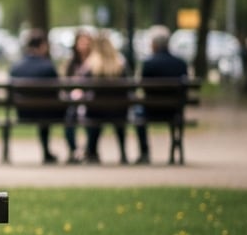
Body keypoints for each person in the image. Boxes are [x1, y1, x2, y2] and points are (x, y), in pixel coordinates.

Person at [134, 26, 190, 164]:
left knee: (136, 112)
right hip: (174, 110)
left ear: (153, 44)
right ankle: (175, 151)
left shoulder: (148, 64)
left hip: (150, 110)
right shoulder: (180, 64)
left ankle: (145, 152)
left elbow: (142, 87)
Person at [8, 29, 62, 164]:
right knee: (54, 110)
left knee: (44, 109)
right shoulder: (48, 67)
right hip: (47, 113)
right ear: (42, 45)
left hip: (23, 113)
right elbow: (57, 91)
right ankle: (70, 151)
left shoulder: (16, 67)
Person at [81, 31, 130, 164]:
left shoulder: (91, 65)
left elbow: (82, 86)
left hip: (96, 112)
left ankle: (91, 152)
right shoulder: (120, 64)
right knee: (117, 121)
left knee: (92, 113)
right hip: (119, 111)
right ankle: (123, 153)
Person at [61, 28, 93, 163]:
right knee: (70, 115)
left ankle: (90, 150)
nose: (84, 45)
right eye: (81, 42)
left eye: (87, 42)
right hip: (74, 100)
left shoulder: (94, 62)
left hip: (90, 100)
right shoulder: (71, 63)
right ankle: (73, 150)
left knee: (91, 117)